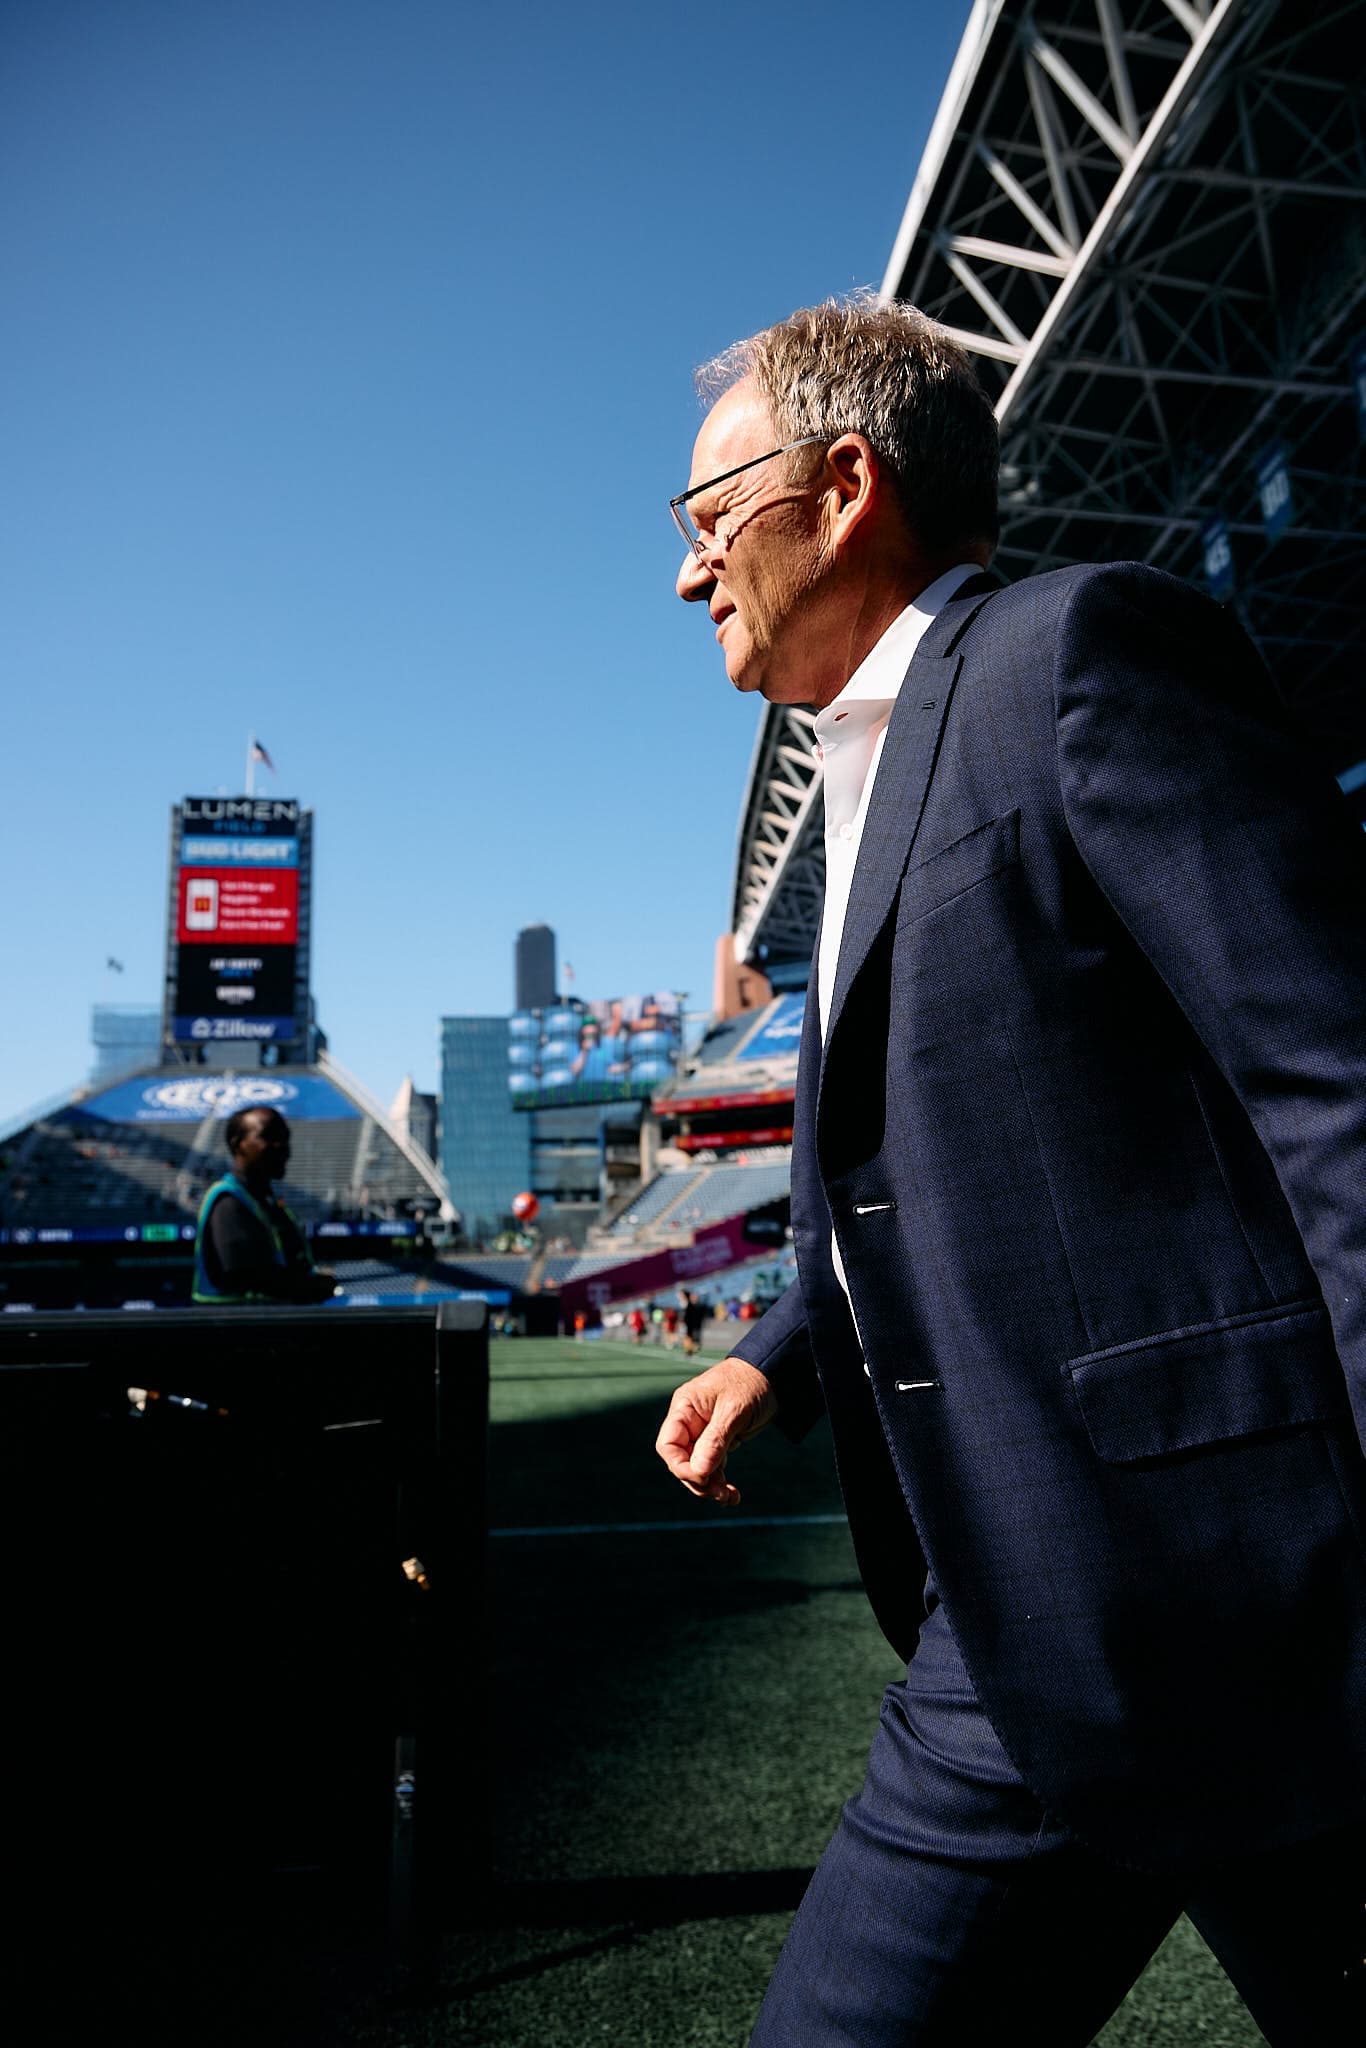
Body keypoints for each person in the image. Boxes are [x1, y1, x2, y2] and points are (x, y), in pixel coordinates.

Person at [655, 294, 1366, 2043]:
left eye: (702, 518)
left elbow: (1334, 1085)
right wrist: (776, 1346)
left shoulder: (1082, 653)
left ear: (838, 486)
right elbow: (907, 1147)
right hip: (1019, 1616)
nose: (687, 577)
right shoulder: (856, 781)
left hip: (1248, 1601)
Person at [193, 1107, 334, 1305]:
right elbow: (245, 1277)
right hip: (237, 1330)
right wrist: (308, 1287)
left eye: (285, 1138)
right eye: (269, 1137)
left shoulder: (264, 1200)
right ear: (238, 1144)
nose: (281, 1146)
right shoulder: (228, 1201)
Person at [681, 1289, 707, 1358]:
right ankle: (689, 1352)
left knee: (696, 1340)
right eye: (693, 1297)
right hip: (689, 1325)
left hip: (696, 1325)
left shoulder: (699, 1306)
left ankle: (692, 1351)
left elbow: (702, 1316)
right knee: (688, 1339)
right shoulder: (688, 1305)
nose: (694, 1298)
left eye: (695, 1297)